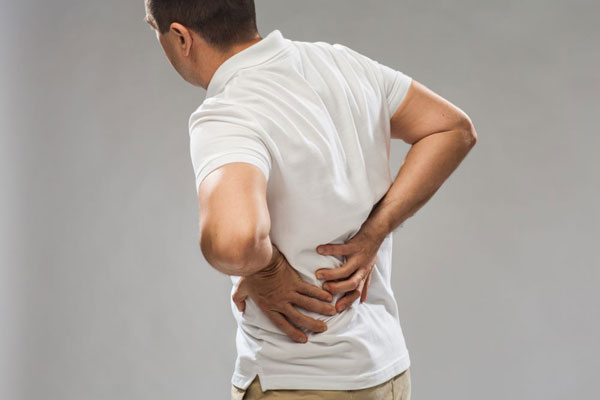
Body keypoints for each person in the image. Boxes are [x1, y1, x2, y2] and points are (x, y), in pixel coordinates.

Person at [144, 1, 477, 399]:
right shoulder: (342, 65)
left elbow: (233, 241)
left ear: (181, 37)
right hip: (385, 372)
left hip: (299, 380)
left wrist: (266, 270)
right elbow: (452, 129)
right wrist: (374, 231)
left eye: (154, 29)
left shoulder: (227, 113)